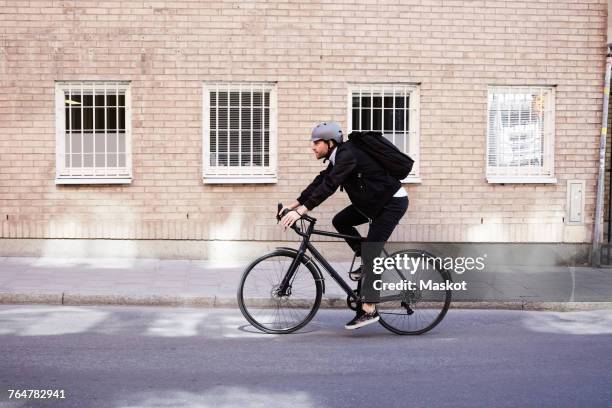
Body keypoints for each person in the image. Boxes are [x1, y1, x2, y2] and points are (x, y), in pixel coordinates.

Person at [279, 121, 409, 330]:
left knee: (371, 253)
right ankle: (363, 256)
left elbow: (330, 186)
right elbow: (321, 181)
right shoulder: (337, 157)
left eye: (316, 142)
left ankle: (370, 309)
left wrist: (302, 211)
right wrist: (293, 205)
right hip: (372, 203)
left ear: (329, 143)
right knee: (341, 221)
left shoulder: (348, 154)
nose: (312, 147)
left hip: (391, 203)